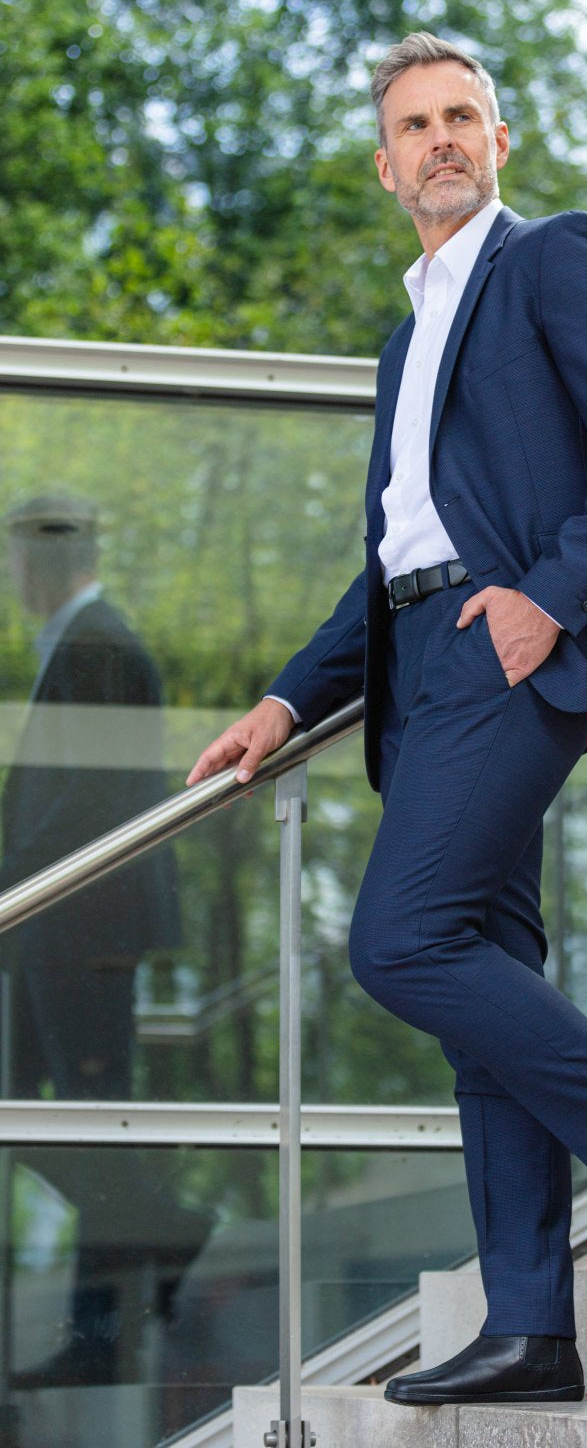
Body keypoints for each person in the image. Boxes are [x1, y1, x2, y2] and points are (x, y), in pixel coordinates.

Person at [187, 32, 587, 1406]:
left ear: (498, 142)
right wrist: (285, 698)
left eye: (464, 117)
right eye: (415, 125)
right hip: (424, 669)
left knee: (400, 940)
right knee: (477, 984)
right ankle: (529, 1325)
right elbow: (390, 559)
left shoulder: (553, 255)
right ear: (385, 166)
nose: (441, 138)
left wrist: (546, 601)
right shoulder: (407, 340)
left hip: (512, 656)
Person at [1, 494, 207, 1388]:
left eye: (15, 558)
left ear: (44, 559)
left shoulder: (97, 645)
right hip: (60, 924)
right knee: (38, 1109)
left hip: (82, 925)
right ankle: (156, 1235)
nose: (10, 578)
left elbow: (94, 800)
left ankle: (102, 1326)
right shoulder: (78, 647)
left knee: (85, 1115)